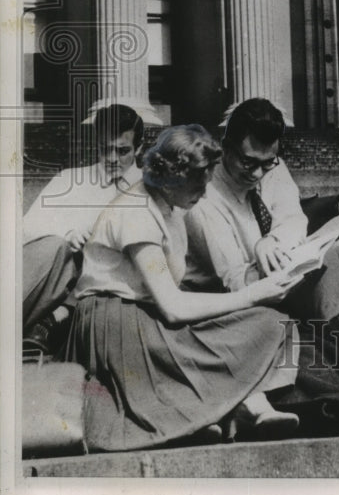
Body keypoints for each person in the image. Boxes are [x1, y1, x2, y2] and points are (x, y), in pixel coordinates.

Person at [66, 125, 300, 452]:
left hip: (147, 318)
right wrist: (252, 294)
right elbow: (172, 306)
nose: (204, 194)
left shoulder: (169, 204)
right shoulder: (137, 212)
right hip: (118, 326)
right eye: (197, 185)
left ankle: (237, 407)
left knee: (274, 322)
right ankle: (213, 414)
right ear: (173, 178)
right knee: (254, 316)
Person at [184, 98, 339, 325]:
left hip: (278, 269)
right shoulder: (204, 197)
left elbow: (293, 218)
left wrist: (271, 240)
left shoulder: (274, 167)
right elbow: (233, 281)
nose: (257, 174)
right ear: (226, 149)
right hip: (232, 293)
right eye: (248, 162)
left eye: (267, 163)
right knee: (328, 272)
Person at [22, 103, 144, 353]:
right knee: (54, 247)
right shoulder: (69, 180)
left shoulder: (149, 189)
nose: (112, 159)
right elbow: (26, 231)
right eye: (105, 149)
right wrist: (67, 234)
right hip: (58, 281)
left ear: (139, 148)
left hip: (110, 286)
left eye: (122, 151)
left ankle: (53, 321)